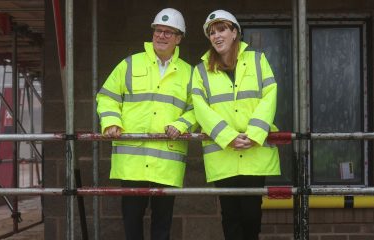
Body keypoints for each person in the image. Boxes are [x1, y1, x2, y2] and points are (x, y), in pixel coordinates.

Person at [96, 8, 196, 240]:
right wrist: (111, 121)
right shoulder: (130, 64)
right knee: (132, 223)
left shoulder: (189, 73)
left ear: (179, 38)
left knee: (162, 225)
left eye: (168, 32)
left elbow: (196, 109)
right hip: (133, 161)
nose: (161, 36)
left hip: (166, 164)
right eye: (158, 31)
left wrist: (182, 124)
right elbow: (107, 96)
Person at [191, 10, 281, 240]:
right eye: (212, 32)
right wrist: (227, 136)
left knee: (251, 215)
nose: (216, 36)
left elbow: (269, 95)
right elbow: (200, 107)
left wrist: (254, 134)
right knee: (230, 216)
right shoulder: (201, 70)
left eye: (222, 29)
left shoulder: (258, 60)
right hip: (223, 154)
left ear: (235, 32)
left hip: (254, 152)